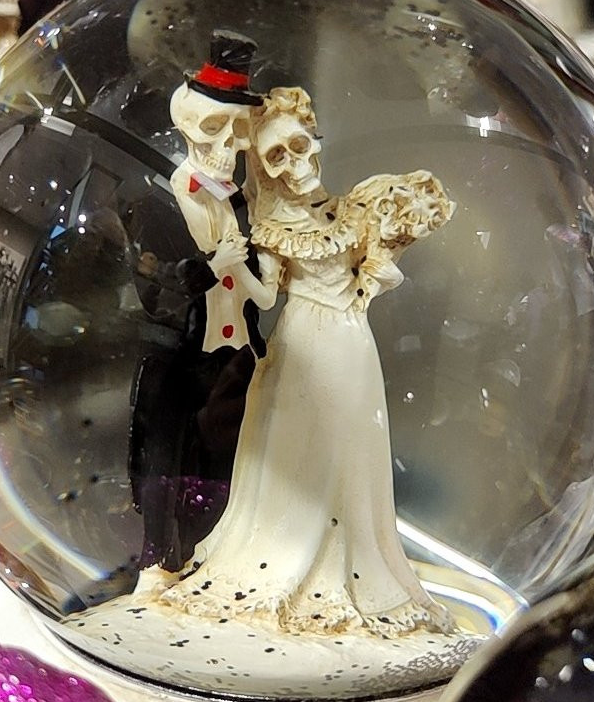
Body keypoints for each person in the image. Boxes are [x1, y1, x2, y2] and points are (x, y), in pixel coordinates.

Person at [152, 85, 456, 636]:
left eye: (301, 145)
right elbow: (266, 301)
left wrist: (385, 257)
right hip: (304, 346)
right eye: (276, 156)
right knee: (302, 453)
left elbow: (381, 263)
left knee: (354, 451)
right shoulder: (271, 234)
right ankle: (292, 557)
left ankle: (361, 559)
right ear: (263, 171)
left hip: (354, 346)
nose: (295, 164)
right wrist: (233, 268)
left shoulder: (347, 211)